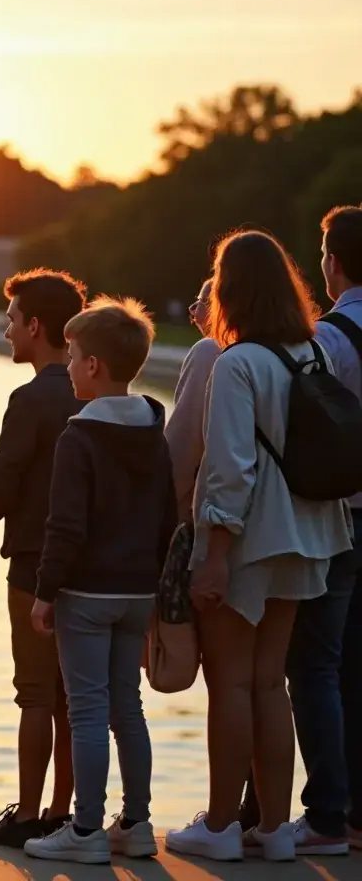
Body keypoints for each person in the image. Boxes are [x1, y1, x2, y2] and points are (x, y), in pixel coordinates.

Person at [166, 230, 352, 863]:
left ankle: (220, 823)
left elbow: (228, 470)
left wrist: (211, 555)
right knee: (272, 682)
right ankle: (275, 826)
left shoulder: (236, 362)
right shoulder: (311, 353)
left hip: (247, 540)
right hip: (307, 538)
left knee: (231, 684)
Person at [23, 298, 175, 865]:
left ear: (93, 367)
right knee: (126, 708)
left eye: (74, 355)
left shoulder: (79, 437)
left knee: (86, 710)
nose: (67, 364)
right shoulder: (151, 431)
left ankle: (85, 830)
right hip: (139, 589)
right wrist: (157, 586)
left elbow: (65, 527)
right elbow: (166, 515)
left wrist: (44, 593)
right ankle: (135, 822)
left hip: (85, 592)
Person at [0, 270, 86, 847]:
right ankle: (64, 812)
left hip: (34, 562)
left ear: (36, 326)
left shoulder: (30, 398)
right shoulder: (94, 388)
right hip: (93, 567)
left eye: (13, 320)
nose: (7, 331)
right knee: (78, 696)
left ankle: (26, 816)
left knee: (36, 695)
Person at [303, 206, 362, 851]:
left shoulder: (332, 336)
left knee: (318, 663)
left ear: (334, 260)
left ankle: (325, 814)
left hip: (342, 519)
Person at [165, 278, 221, 524]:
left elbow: (184, 442)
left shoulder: (208, 351)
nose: (192, 309)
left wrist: (160, 505)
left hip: (211, 515)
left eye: (199, 302)